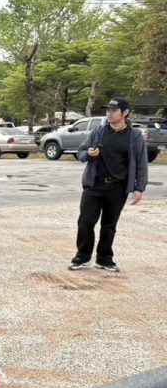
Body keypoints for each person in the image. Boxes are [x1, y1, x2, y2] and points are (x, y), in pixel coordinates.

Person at [70, 97, 148, 273]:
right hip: (94, 185)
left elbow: (141, 163)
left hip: (118, 188)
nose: (109, 114)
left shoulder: (134, 136)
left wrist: (139, 188)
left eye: (114, 110)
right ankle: (82, 257)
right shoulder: (99, 132)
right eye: (108, 110)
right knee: (85, 221)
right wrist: (89, 154)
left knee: (109, 225)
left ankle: (104, 259)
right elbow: (81, 152)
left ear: (125, 113)